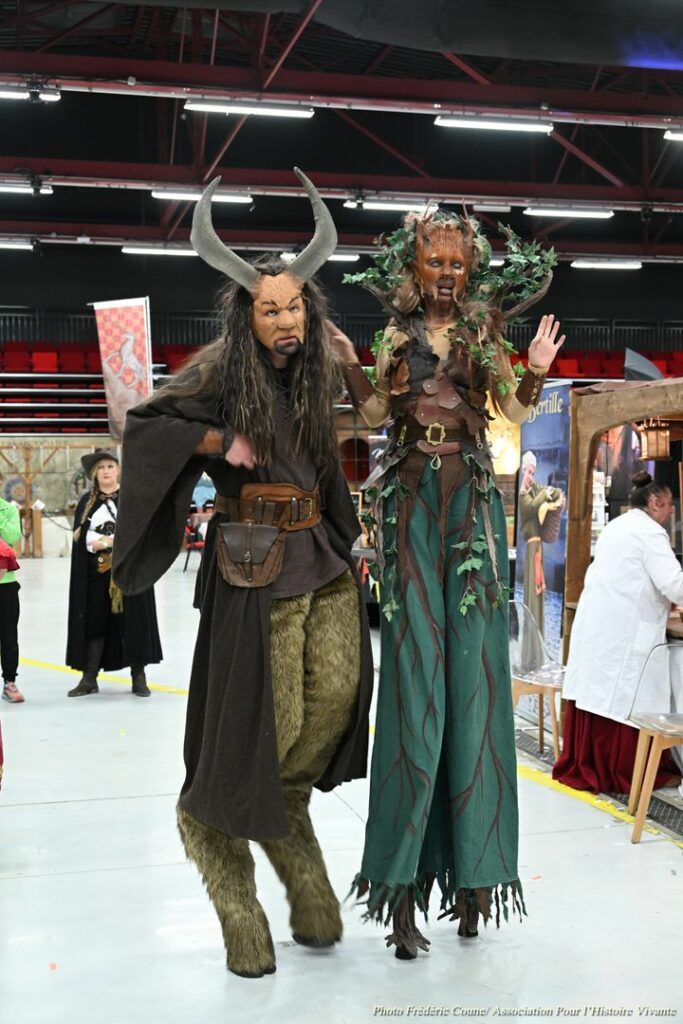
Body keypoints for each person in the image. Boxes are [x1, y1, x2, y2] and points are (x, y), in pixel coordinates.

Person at [112, 169, 373, 979]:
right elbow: (142, 424)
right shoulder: (222, 369)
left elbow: (366, 425)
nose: (285, 320)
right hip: (255, 567)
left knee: (335, 703)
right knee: (265, 726)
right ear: (246, 314)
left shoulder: (318, 364)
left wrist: (351, 366)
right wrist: (218, 443)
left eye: (294, 306)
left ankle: (295, 855)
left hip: (322, 557)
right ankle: (228, 875)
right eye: (270, 309)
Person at [329, 208, 563, 957]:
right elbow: (373, 411)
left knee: (475, 680)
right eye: (435, 262)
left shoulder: (483, 336)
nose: (446, 274)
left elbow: (513, 409)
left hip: (471, 506)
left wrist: (534, 365)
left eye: (457, 264)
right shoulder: (394, 337)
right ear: (415, 265)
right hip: (409, 506)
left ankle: (474, 881)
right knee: (412, 682)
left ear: (470, 271)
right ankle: (400, 889)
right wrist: (349, 364)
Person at [553, 471, 683, 794]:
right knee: (622, 700)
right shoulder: (651, 533)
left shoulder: (617, 526)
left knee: (601, 697)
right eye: (669, 504)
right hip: (623, 633)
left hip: (601, 628)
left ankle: (592, 764)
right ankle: (623, 770)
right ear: (655, 502)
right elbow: (674, 584)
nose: (671, 511)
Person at [66, 449, 162, 697]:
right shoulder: (87, 503)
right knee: (95, 623)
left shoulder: (131, 499)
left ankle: (138, 678)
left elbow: (141, 532)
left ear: (118, 469)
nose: (106, 471)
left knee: (134, 622)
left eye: (110, 466)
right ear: (94, 473)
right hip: (97, 574)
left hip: (129, 574)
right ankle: (89, 678)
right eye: (101, 467)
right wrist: (102, 543)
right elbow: (82, 539)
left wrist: (111, 542)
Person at [518, 450, 565, 640]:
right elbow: (531, 507)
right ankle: (531, 638)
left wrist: (553, 494)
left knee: (538, 589)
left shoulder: (535, 489)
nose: (531, 476)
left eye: (533, 472)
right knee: (532, 589)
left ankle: (537, 636)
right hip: (531, 547)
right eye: (528, 472)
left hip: (538, 546)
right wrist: (544, 495)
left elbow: (554, 493)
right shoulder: (523, 496)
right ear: (523, 471)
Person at [0, 474, 23, 704]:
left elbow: (12, 537)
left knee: (8, 634)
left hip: (5, 583)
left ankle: (9, 681)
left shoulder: (8, 510)